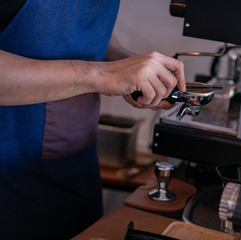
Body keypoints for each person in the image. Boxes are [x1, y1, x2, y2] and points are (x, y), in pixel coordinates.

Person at [0, 0, 186, 239]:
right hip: (8, 186)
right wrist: (104, 74)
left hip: (77, 172)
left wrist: (125, 64)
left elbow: (84, 30)